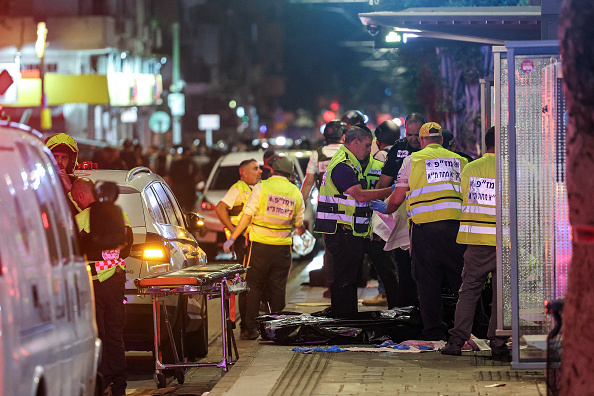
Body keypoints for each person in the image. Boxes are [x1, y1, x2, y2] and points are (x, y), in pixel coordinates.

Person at [384, 122, 468, 340]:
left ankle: (434, 332)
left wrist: (384, 207)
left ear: (421, 142)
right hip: (456, 229)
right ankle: (468, 330)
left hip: (426, 231)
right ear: (441, 140)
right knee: (461, 281)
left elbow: (397, 198)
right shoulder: (461, 161)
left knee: (427, 282)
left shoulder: (412, 160)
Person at [314, 126, 395, 317]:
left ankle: (347, 318)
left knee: (350, 278)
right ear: (355, 142)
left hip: (353, 230)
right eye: (367, 145)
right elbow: (358, 195)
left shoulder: (353, 163)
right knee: (344, 279)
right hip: (341, 232)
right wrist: (391, 191)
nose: (370, 149)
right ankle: (343, 320)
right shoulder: (343, 165)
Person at [440, 127, 508, 356]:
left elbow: (462, 199)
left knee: (468, 292)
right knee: (502, 296)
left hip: (477, 242)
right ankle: (498, 345)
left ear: (486, 143)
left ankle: (456, 343)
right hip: (505, 244)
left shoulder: (470, 168)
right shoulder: (515, 169)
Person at [223, 156, 305, 340]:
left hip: (259, 247)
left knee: (253, 286)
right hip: (282, 248)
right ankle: (276, 329)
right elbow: (298, 222)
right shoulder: (295, 192)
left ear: (273, 171)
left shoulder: (262, 187)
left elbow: (247, 215)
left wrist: (232, 238)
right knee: (277, 287)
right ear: (290, 174)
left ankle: (250, 329)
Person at [71, 178, 133, 396]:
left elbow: (75, 254)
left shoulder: (79, 221)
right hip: (116, 283)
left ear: (80, 196)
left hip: (94, 285)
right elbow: (126, 248)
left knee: (99, 337)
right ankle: (120, 387)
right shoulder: (120, 215)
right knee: (116, 335)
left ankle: (103, 383)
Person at [215, 158, 262, 337]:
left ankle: (252, 323)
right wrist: (234, 232)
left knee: (254, 283)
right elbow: (220, 209)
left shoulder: (256, 187)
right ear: (243, 173)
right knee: (248, 284)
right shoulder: (238, 188)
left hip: (255, 240)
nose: (260, 172)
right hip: (245, 242)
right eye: (255, 168)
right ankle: (247, 327)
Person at [301, 120, 348, 298]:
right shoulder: (348, 151)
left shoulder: (317, 154)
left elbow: (308, 183)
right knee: (349, 245)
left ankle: (331, 286)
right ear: (343, 135)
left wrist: (300, 205)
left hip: (325, 209)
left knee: (330, 248)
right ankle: (347, 283)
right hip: (347, 207)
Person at [362, 120, 401, 307]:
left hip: (382, 209)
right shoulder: (404, 153)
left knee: (383, 255)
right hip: (401, 209)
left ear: (378, 141)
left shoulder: (378, 156)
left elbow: (378, 184)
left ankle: (384, 293)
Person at [376, 113, 425, 189]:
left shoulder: (431, 147)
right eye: (409, 135)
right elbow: (382, 184)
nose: (413, 139)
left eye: (417, 135)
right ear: (405, 129)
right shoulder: (398, 148)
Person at [45, 132, 81, 215]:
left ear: (71, 161)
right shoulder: (38, 183)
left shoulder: (79, 184)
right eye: (55, 156)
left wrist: (70, 189)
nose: (59, 161)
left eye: (64, 157)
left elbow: (85, 215)